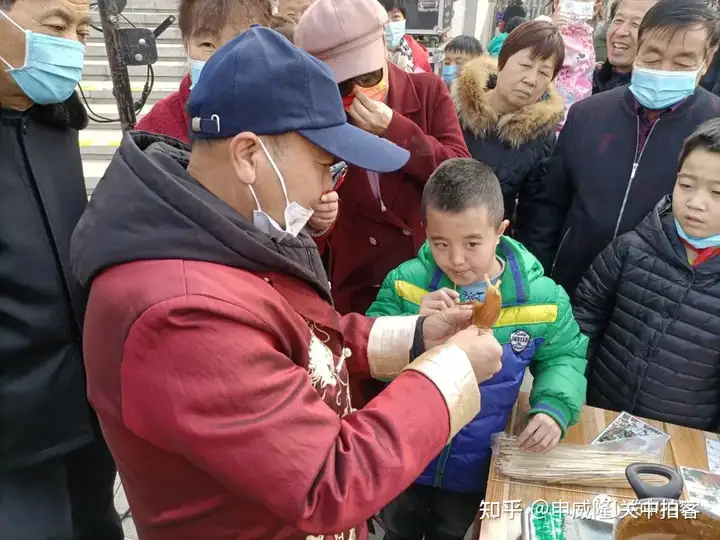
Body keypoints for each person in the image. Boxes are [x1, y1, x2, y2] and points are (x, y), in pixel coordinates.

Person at [70, 26, 504, 540]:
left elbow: (300, 336)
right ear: (250, 156)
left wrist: (417, 338)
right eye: (325, 165)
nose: (328, 185)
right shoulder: (179, 312)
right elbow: (328, 479)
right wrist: (449, 371)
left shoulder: (220, 229)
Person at [368, 158, 587, 540]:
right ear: (426, 232)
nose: (455, 259)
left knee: (451, 530)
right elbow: (370, 347)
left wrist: (554, 409)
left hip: (474, 466)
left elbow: (565, 356)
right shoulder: (407, 284)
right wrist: (413, 329)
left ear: (500, 231)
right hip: (404, 452)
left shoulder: (540, 298)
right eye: (441, 243)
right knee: (397, 527)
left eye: (472, 243)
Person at [0, 1, 123, 539]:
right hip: (14, 439)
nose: (72, 44)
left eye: (82, 30)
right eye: (56, 26)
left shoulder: (54, 124)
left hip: (83, 412)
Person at [523, 0, 720, 298]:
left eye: (682, 63)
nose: (664, 70)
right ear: (638, 51)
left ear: (706, 62)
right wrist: (538, 277)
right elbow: (549, 205)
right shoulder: (587, 114)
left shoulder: (712, 128)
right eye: (653, 57)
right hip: (570, 287)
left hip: (658, 304)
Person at [294, 0, 470, 319]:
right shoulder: (321, 122)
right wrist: (319, 223)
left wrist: (397, 130)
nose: (359, 91)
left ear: (384, 56)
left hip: (431, 282)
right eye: (343, 85)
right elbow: (305, 218)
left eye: (369, 76)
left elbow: (461, 177)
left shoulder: (428, 93)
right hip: (362, 295)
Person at [574, 118, 720, 431]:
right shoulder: (631, 248)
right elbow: (585, 317)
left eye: (717, 192)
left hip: (684, 437)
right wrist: (573, 387)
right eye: (686, 185)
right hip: (602, 414)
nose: (696, 203)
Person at [452, 21, 565, 243]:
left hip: (489, 253)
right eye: (525, 65)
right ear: (502, 61)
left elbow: (537, 219)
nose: (531, 80)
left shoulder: (540, 136)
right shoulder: (454, 109)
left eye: (544, 72)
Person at [135, 0, 288, 142]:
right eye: (207, 44)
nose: (223, 58)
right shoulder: (158, 128)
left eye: (242, 40)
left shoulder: (293, 112)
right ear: (186, 44)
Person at [549, 0, 597, 130]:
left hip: (580, 112)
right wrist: (551, 28)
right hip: (553, 113)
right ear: (556, 4)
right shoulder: (546, 27)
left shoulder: (586, 33)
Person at [592, 0, 657, 94]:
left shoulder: (653, 98)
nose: (620, 32)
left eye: (636, 24)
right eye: (618, 20)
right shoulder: (586, 78)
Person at [380, 0, 432, 73]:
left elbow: (427, 81)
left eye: (396, 17)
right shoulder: (364, 53)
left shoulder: (417, 54)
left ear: (404, 20)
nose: (390, 24)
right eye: (383, 19)